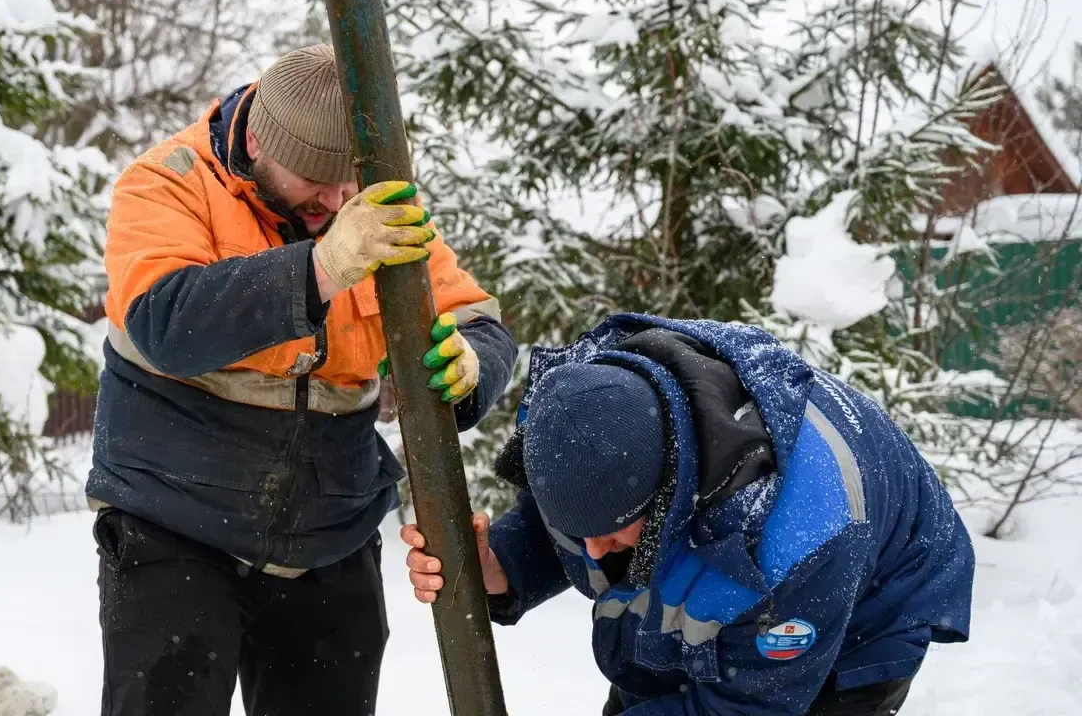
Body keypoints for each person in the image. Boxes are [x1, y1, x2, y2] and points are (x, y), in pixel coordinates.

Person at [86, 44, 516, 716]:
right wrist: (319, 269)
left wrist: (472, 367)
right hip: (175, 519)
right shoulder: (169, 183)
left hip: (328, 529)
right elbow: (165, 322)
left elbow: (478, 317)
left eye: (348, 183)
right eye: (316, 181)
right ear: (257, 138)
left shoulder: (372, 206)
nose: (337, 201)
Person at [402, 313, 974, 716]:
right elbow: (571, 521)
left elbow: (751, 708)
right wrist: (498, 564)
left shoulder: (807, 533)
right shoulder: (592, 420)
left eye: (608, 533)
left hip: (859, 623)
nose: (593, 551)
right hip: (727, 549)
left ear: (668, 493)